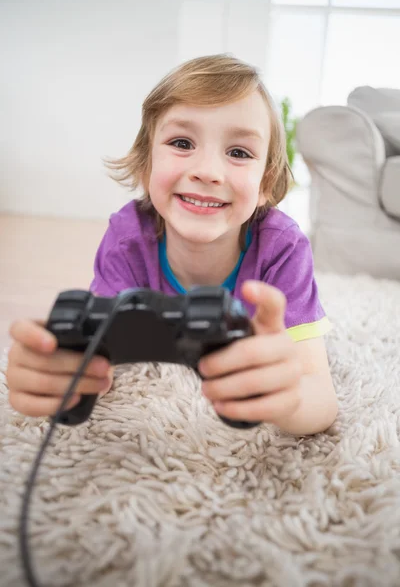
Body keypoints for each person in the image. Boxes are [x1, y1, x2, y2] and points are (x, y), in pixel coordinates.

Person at [6, 54, 338, 436]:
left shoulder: (282, 248)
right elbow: (97, 361)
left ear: (266, 183)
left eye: (239, 152)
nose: (208, 171)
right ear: (146, 165)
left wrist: (290, 397)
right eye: (182, 142)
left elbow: (321, 397)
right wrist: (56, 373)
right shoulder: (127, 240)